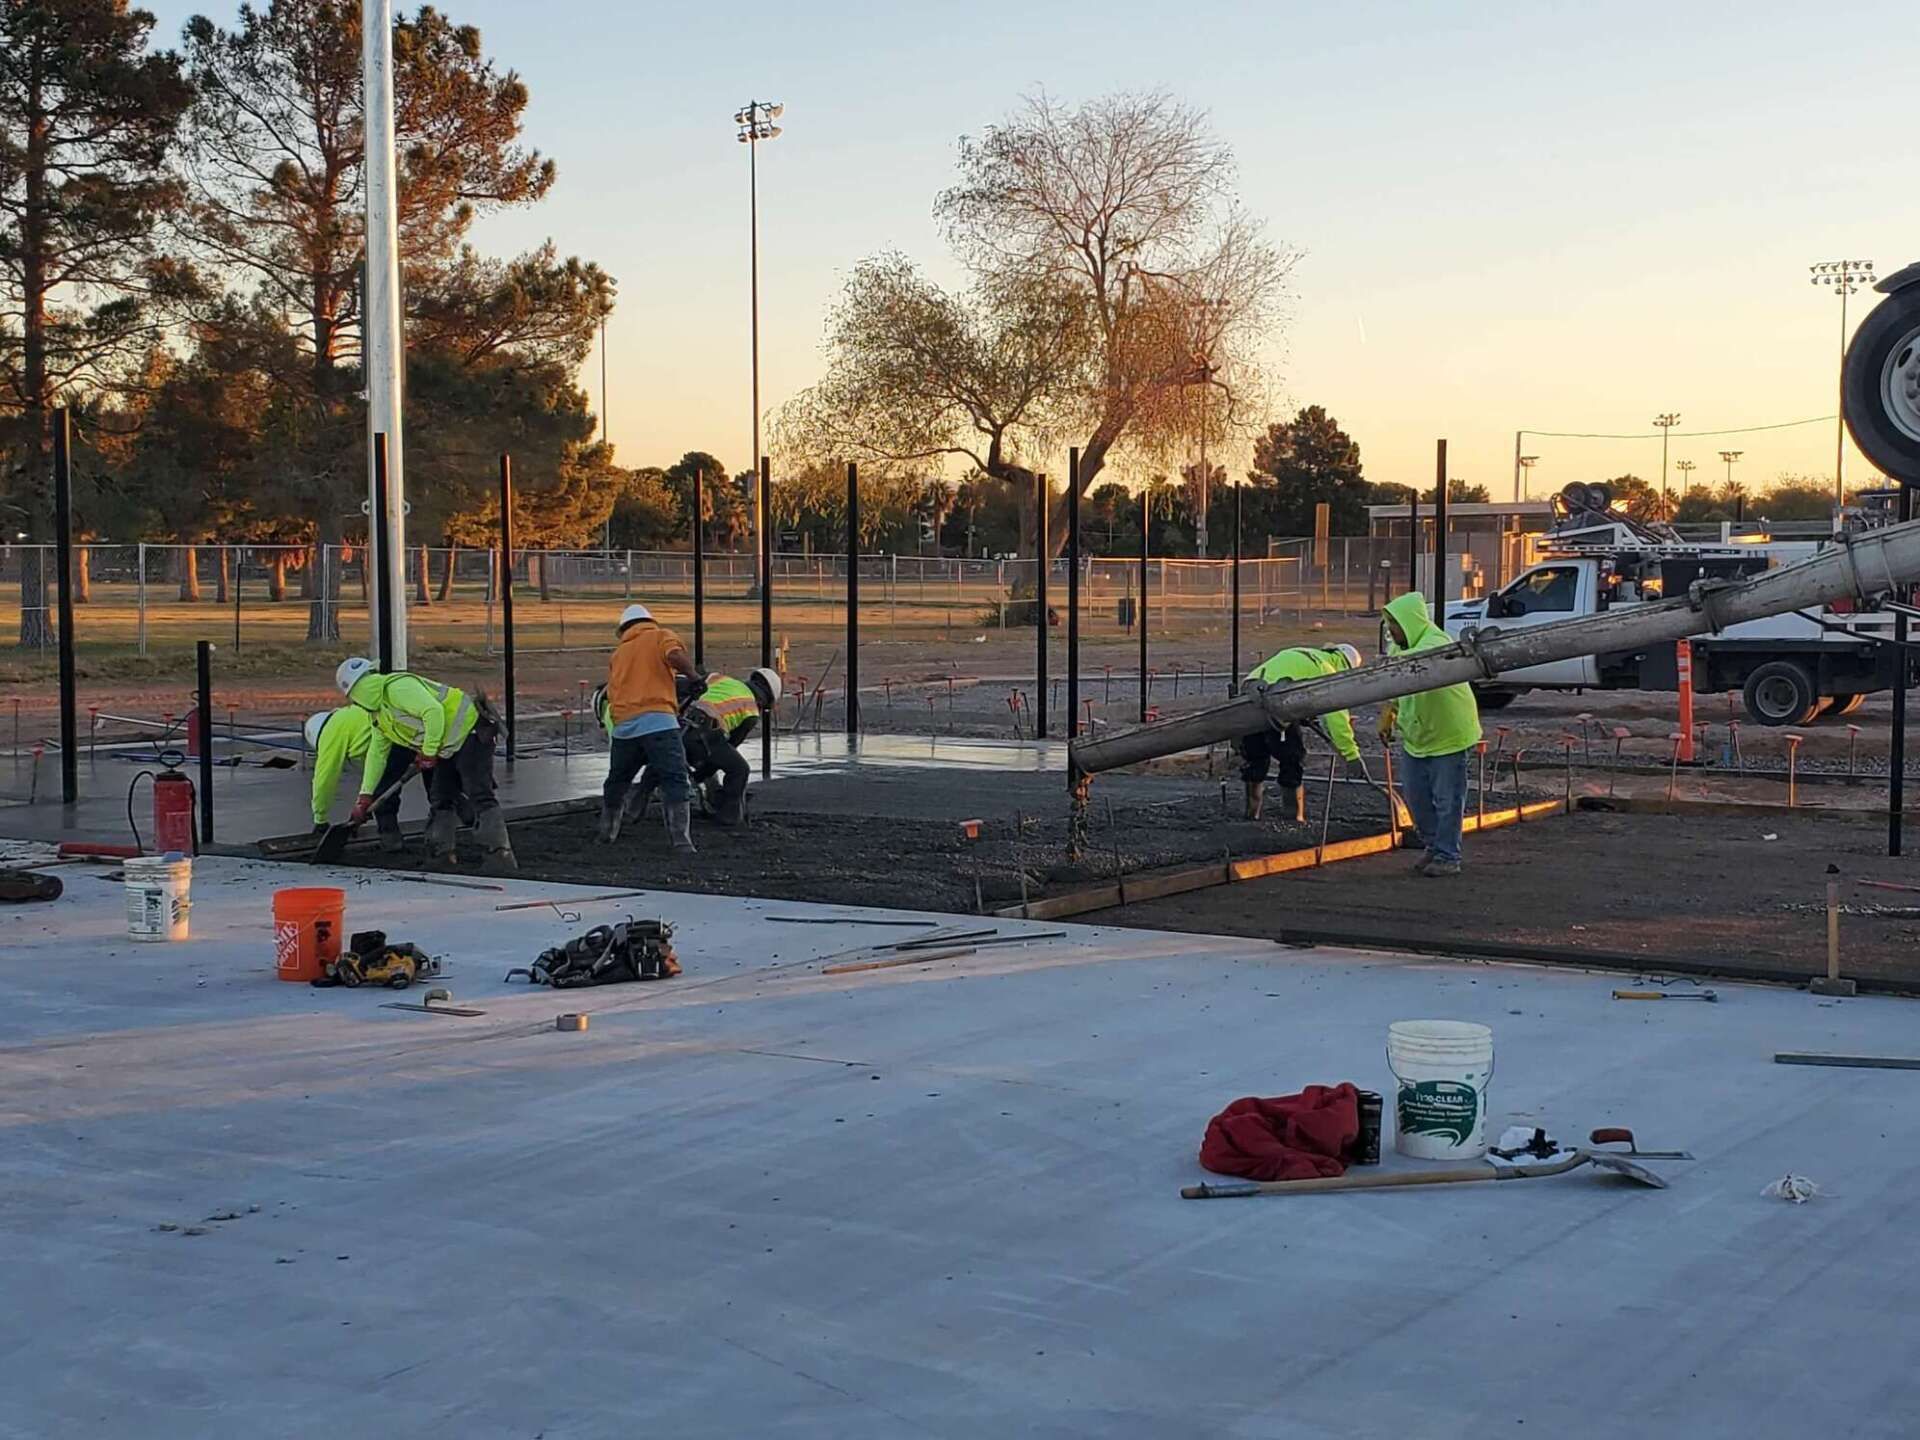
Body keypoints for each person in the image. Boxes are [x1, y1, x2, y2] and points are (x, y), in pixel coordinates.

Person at [335, 657, 513, 869]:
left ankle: (499, 855)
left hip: (472, 731)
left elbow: (433, 712)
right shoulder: (380, 716)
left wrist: (428, 752)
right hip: (447, 746)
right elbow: (377, 754)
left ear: (356, 692)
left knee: (478, 792)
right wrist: (364, 797)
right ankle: (441, 855)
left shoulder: (398, 687)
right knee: (440, 796)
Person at [1376, 592, 1482, 877]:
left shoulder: (1436, 642)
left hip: (1449, 735)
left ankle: (1448, 855)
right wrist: (1389, 714)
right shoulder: (1400, 648)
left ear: (1409, 622)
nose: (1390, 630)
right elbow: (1395, 685)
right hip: (1417, 737)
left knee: (1448, 799)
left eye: (1393, 624)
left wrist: (1386, 669)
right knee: (1417, 798)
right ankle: (1434, 847)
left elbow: (1417, 664)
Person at [598, 604, 705, 852]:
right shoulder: (660, 635)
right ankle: (681, 840)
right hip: (658, 722)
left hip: (625, 727)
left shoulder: (618, 654)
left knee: (618, 780)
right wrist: (694, 678)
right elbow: (674, 657)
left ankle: (607, 832)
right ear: (649, 621)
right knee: (674, 778)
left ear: (624, 628)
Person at [1237, 643, 1366, 821]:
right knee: (1291, 761)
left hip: (1248, 696)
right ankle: (1294, 821)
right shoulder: (1326, 669)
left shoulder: (1301, 653)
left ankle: (1251, 816)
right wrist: (1351, 756)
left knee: (1256, 760)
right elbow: (1337, 717)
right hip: (1277, 703)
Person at [305, 706, 413, 852]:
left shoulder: (330, 733)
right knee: (437, 789)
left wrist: (320, 819)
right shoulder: (349, 716)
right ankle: (441, 837)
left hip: (391, 740)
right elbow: (370, 768)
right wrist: (363, 804)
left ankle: (392, 842)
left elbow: (324, 781)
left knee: (382, 794)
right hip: (407, 731)